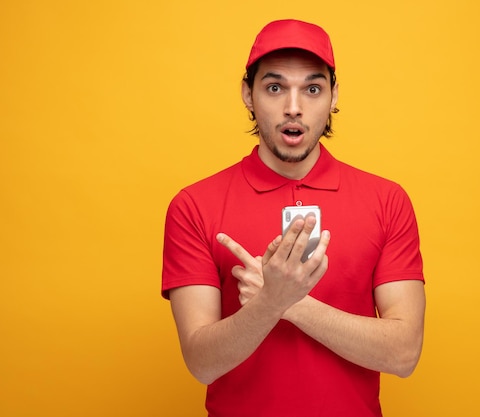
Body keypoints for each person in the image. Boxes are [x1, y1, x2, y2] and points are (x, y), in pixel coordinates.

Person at [162, 19, 426, 417]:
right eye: (274, 87)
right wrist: (270, 303)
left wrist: (285, 302)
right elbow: (202, 363)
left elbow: (404, 353)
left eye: (313, 89)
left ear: (334, 96)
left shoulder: (387, 201)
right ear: (247, 95)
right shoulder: (193, 205)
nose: (293, 107)